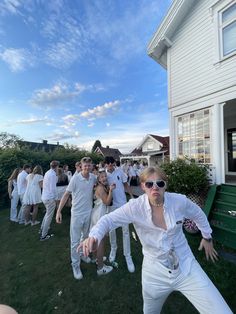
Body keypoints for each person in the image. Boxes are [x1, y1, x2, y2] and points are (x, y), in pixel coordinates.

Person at [79, 167, 233, 314]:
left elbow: (198, 214)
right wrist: (94, 235)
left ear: (165, 185)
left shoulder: (179, 201)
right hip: (154, 271)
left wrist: (207, 236)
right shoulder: (134, 207)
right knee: (150, 311)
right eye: (149, 184)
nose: (155, 187)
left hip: (186, 264)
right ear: (143, 187)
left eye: (160, 183)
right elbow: (108, 220)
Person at [56, 157, 97, 280]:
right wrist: (59, 211)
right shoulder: (75, 178)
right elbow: (66, 194)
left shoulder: (92, 178)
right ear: (81, 166)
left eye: (89, 165)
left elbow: (99, 184)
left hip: (88, 212)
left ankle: (83, 255)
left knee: (85, 237)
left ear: (91, 166)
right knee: (74, 241)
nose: (87, 167)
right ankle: (75, 265)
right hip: (77, 214)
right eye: (85, 165)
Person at [104, 156, 135, 273]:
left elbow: (126, 184)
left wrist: (131, 196)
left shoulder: (120, 171)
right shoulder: (103, 174)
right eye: (109, 164)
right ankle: (113, 249)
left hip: (122, 204)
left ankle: (128, 255)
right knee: (111, 229)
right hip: (111, 205)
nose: (111, 166)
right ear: (106, 164)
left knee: (125, 230)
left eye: (112, 164)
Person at [89, 169, 115, 276]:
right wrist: (111, 191)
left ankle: (96, 258)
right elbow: (107, 202)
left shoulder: (100, 187)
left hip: (97, 213)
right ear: (98, 179)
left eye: (105, 176)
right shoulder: (100, 188)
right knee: (100, 241)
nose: (104, 178)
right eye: (102, 177)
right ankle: (100, 268)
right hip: (100, 215)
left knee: (96, 239)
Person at [40, 160, 59, 241]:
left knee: (47, 214)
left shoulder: (48, 172)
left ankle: (42, 229)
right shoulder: (52, 174)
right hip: (49, 198)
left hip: (45, 196)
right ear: (57, 166)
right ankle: (43, 235)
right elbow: (53, 189)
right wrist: (55, 198)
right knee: (49, 217)